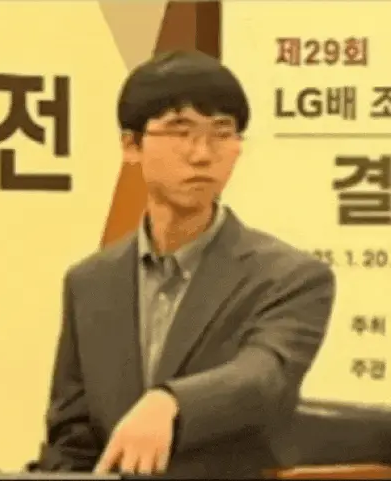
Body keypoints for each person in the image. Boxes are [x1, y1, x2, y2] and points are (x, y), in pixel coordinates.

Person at [36, 50, 336, 479]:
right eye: (181, 131)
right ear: (131, 145)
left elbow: (264, 375)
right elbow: (72, 435)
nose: (202, 154)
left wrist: (171, 401)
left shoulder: (291, 277)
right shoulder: (90, 282)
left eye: (222, 133)